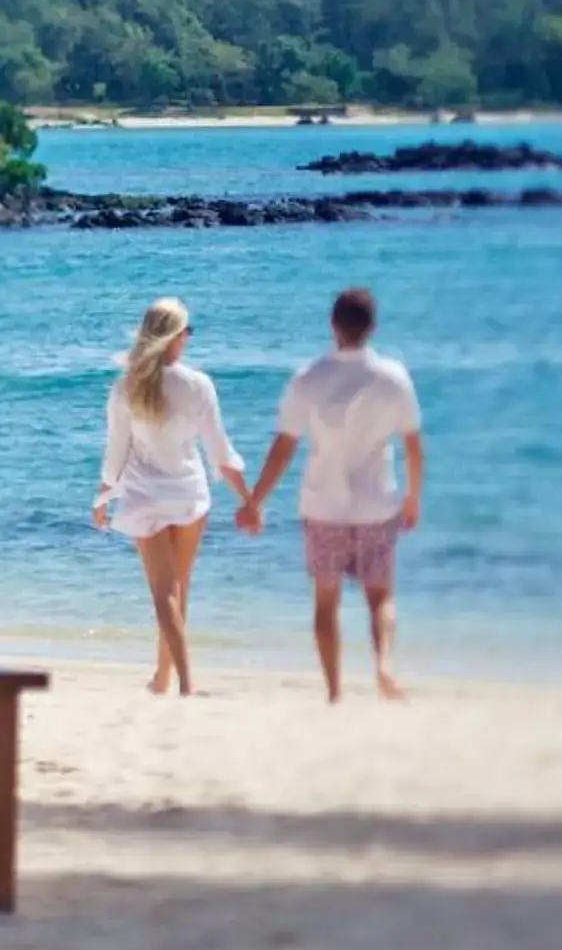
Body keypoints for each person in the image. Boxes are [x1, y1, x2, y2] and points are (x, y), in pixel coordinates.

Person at [237, 286, 423, 702]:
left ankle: (335, 692)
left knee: (326, 601)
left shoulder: (309, 378)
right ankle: (383, 667)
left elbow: (284, 446)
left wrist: (255, 501)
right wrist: (413, 497)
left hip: (323, 504)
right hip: (377, 502)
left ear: (332, 325)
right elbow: (413, 444)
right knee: (380, 596)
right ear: (372, 327)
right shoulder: (393, 377)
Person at [92, 297, 246, 697]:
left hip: (145, 497)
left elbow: (116, 451)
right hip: (189, 495)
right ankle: (166, 678)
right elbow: (220, 451)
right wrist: (247, 496)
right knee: (180, 590)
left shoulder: (127, 387)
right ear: (176, 337)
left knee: (163, 594)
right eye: (188, 332)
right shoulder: (198, 384)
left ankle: (182, 682)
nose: (189, 339)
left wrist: (104, 494)